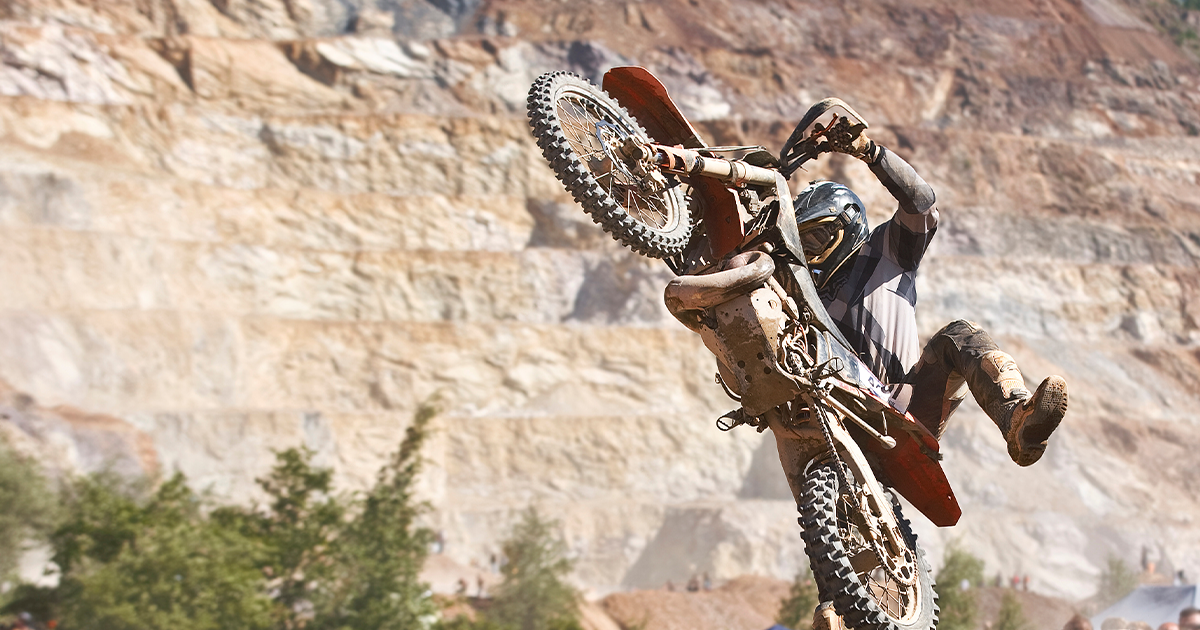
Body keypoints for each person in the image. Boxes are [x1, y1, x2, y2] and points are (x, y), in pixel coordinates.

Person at [793, 128, 1068, 466]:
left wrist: (870, 152)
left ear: (846, 227)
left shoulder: (887, 251)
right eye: (804, 242)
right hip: (831, 411)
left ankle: (1018, 422)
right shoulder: (802, 295)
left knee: (960, 334)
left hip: (904, 403)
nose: (811, 251)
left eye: (819, 236)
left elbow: (921, 201)